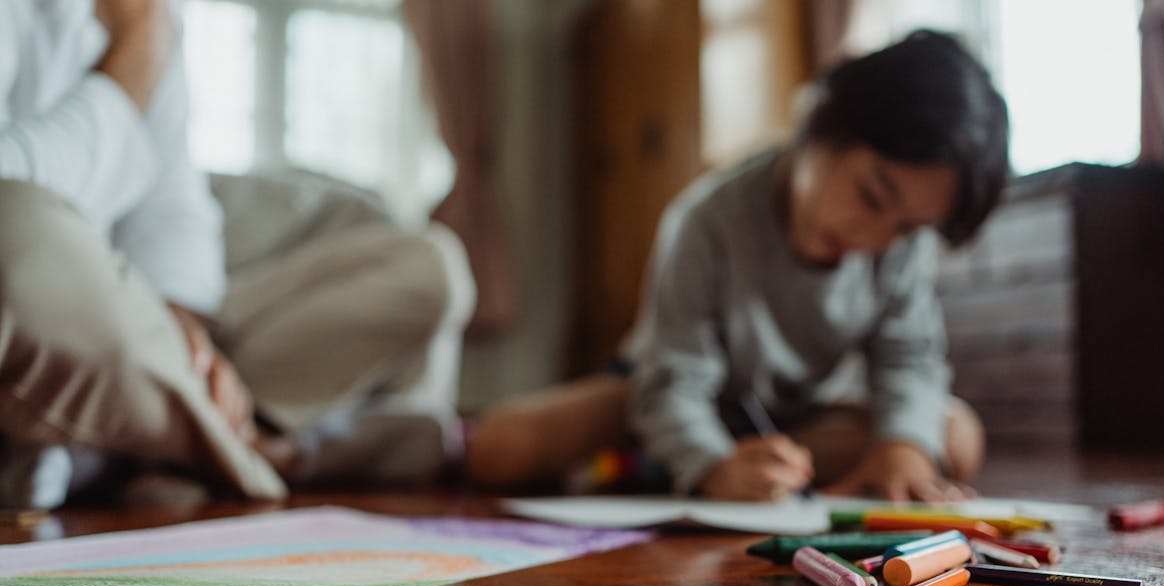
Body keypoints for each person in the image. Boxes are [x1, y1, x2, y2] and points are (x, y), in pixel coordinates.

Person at [467, 30, 1008, 502]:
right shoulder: (708, 219)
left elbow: (908, 360)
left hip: (791, 417)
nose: (875, 237)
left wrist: (902, 448)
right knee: (500, 446)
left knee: (955, 436)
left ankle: (677, 469)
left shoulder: (898, 245)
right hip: (660, 390)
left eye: (908, 227)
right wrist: (710, 463)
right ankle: (678, 460)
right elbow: (671, 381)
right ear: (822, 124)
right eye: (870, 194)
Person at [0, 0, 473, 508]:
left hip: (133, 336)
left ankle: (173, 442)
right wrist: (138, 52)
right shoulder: (142, 27)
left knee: (429, 265)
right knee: (17, 234)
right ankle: (245, 456)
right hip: (63, 319)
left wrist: (188, 332)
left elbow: (171, 206)